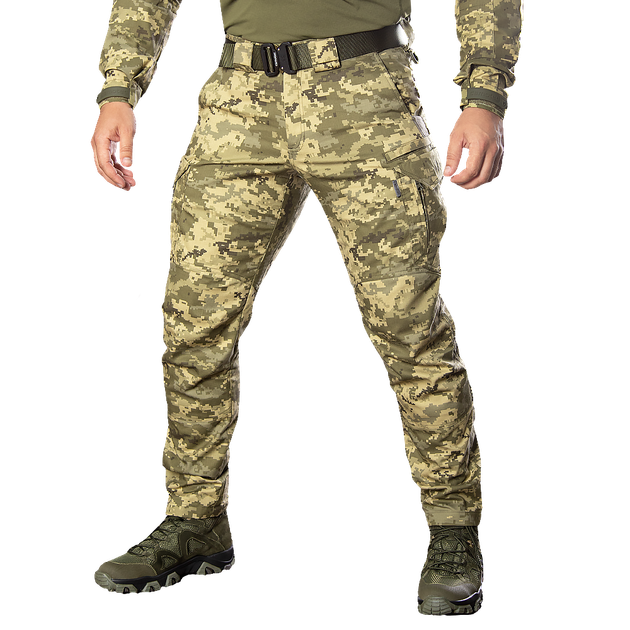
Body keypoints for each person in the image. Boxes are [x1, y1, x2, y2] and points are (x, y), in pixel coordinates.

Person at [89, 0, 524, 615]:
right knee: (193, 326)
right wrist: (118, 89)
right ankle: (195, 520)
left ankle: (454, 529)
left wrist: (485, 97)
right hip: (238, 100)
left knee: (410, 330)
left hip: (366, 94)